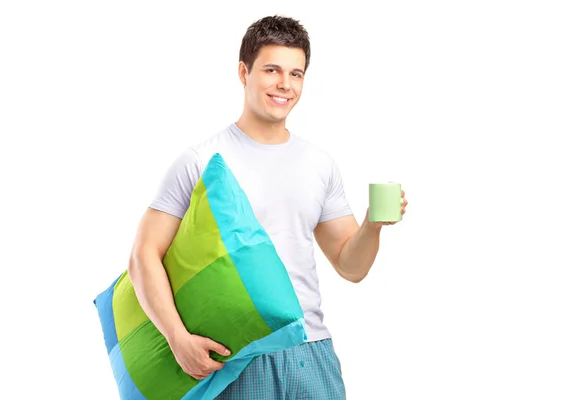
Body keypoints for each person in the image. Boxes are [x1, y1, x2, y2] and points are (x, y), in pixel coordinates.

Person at [128, 15, 408, 400]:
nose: (285, 85)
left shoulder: (318, 163)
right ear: (244, 72)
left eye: (296, 74)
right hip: (235, 353)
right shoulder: (202, 160)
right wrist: (176, 337)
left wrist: (373, 225)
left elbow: (350, 265)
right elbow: (144, 255)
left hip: (309, 351)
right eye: (272, 70)